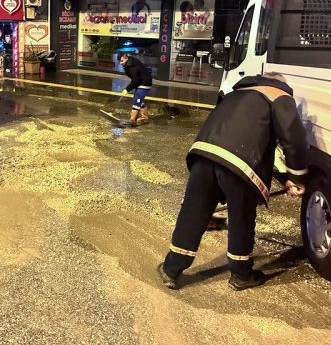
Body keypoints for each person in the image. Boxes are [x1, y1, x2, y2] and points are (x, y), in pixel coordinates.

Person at [158, 72, 308, 291]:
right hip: (239, 163)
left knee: (193, 212)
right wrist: (296, 177)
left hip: (204, 153)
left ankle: (171, 269)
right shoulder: (279, 95)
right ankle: (241, 275)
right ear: (279, 83)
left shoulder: (235, 93)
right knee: (241, 218)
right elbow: (293, 139)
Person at [118, 52, 153, 126]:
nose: (121, 63)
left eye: (122, 61)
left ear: (126, 58)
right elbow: (135, 80)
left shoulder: (132, 67)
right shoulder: (129, 63)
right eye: (120, 61)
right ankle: (145, 118)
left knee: (137, 100)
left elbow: (135, 81)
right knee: (139, 99)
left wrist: (127, 89)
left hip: (144, 83)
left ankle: (132, 120)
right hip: (141, 82)